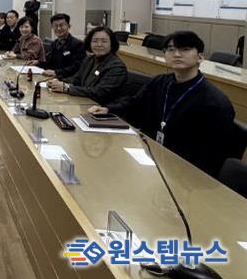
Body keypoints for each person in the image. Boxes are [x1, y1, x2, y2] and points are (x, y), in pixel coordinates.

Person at [89, 31, 235, 178]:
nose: (176, 54)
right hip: (153, 158)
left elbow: (210, 157)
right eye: (171, 49)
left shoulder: (214, 102)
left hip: (186, 173)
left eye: (184, 49)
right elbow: (135, 104)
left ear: (200, 57)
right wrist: (108, 109)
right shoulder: (161, 82)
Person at [47, 26, 127, 106]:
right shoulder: (89, 59)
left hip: (101, 108)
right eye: (95, 41)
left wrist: (67, 88)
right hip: (83, 102)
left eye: (104, 41)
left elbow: (99, 92)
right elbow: (76, 79)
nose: (99, 44)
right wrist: (58, 81)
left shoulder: (116, 67)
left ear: (112, 44)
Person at [32, 13, 85, 78]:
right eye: (55, 26)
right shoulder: (54, 44)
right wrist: (38, 63)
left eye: (61, 25)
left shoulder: (77, 44)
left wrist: (56, 72)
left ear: (69, 26)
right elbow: (51, 64)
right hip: (53, 77)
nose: (58, 28)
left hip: (68, 79)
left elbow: (77, 67)